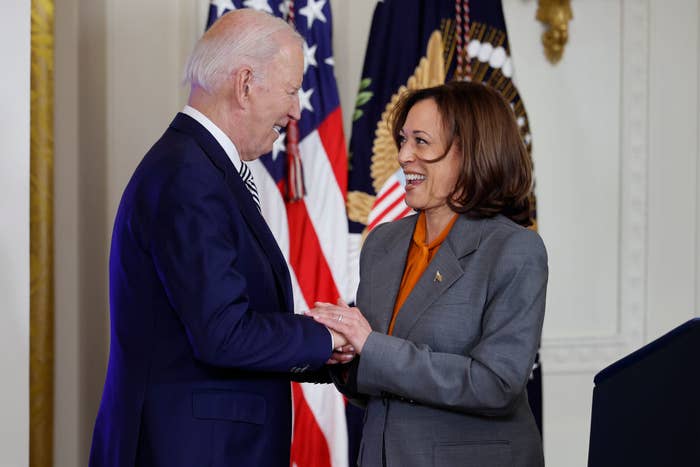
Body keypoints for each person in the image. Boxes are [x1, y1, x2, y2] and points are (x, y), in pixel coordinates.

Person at [89, 9, 352, 467]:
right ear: (245, 83)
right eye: (291, 91)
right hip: (188, 451)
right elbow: (224, 333)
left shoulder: (197, 166)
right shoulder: (189, 175)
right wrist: (328, 337)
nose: (295, 111)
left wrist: (331, 354)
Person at [308, 81, 548, 467]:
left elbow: (496, 384)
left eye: (421, 141)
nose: (403, 156)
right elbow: (378, 376)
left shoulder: (514, 250)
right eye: (403, 140)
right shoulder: (382, 244)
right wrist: (344, 354)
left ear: (470, 151)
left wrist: (370, 345)